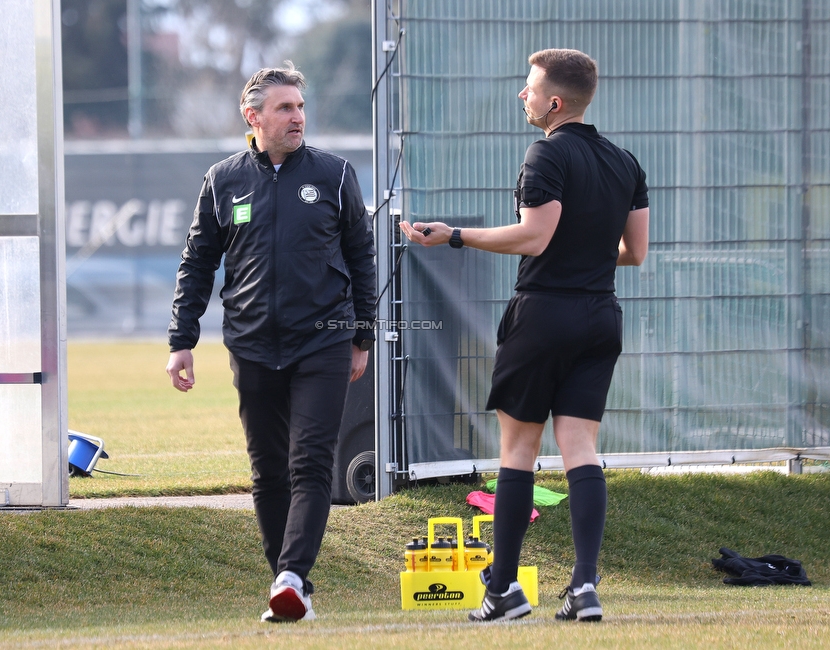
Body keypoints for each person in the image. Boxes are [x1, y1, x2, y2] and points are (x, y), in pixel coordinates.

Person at [400, 48, 649, 623]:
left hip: (543, 317)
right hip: (600, 317)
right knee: (581, 449)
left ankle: (504, 591)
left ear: (555, 102)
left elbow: (534, 237)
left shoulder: (545, 153)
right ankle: (585, 587)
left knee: (518, 451)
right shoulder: (625, 162)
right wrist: (584, 253)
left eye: (530, 88)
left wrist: (454, 235)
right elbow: (634, 253)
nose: (523, 95)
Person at [166, 61, 377, 623]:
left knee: (310, 463)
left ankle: (290, 578)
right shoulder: (224, 179)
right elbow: (198, 264)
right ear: (252, 115)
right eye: (285, 108)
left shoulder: (334, 175)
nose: (297, 117)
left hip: (324, 343)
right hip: (252, 345)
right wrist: (181, 339)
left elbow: (362, 256)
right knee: (267, 471)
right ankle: (289, 584)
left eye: (301, 108)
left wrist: (362, 335)